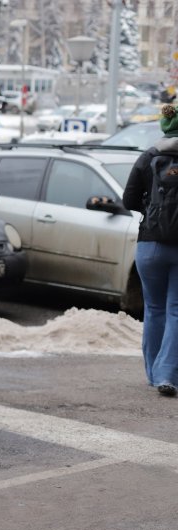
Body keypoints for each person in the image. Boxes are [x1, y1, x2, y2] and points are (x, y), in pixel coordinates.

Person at [122, 103, 178, 396]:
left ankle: (153, 373)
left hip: (150, 245)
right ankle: (168, 376)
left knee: (154, 309)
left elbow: (128, 199)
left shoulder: (149, 156)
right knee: (175, 310)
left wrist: (152, 208)